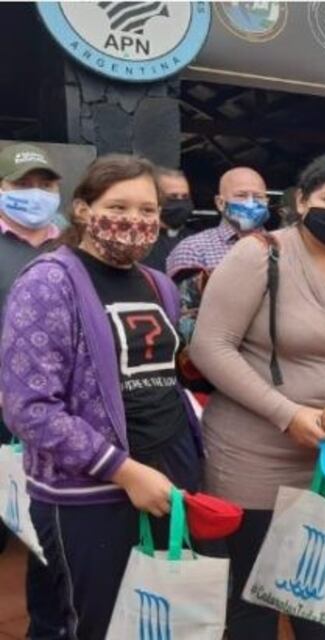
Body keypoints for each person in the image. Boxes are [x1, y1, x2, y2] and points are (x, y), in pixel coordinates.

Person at [188, 154, 325, 639]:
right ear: (302, 200)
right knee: (252, 603)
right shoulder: (259, 255)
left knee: (316, 600)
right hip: (250, 455)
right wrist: (287, 414)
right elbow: (209, 345)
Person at [1, 155, 203, 638]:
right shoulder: (50, 281)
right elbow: (28, 407)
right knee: (90, 624)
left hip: (167, 476)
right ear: (83, 210)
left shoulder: (157, 284)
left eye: (148, 210)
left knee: (153, 620)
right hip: (89, 494)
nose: (135, 221)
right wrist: (124, 470)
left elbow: (162, 377)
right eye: (119, 206)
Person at [0, 143, 67, 637]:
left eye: (45, 186)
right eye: (22, 186)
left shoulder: (72, 245)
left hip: (58, 415)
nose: (35, 195)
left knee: (50, 531)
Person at [166, 167, 269, 342]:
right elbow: (182, 320)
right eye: (241, 195)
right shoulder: (193, 249)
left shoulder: (284, 247)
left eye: (258, 197)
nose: (251, 202)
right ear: (220, 203)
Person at [142, 167, 195, 271]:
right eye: (173, 197)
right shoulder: (140, 243)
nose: (180, 203)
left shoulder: (195, 240)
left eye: (185, 197)